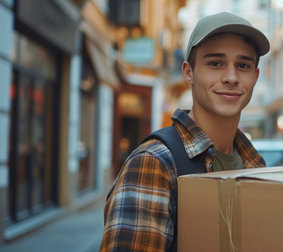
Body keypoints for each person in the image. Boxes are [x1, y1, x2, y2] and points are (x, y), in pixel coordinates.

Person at [100, 12, 269, 251]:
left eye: (243, 65)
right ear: (188, 72)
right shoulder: (154, 163)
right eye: (215, 63)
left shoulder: (254, 164)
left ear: (255, 76)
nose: (231, 77)